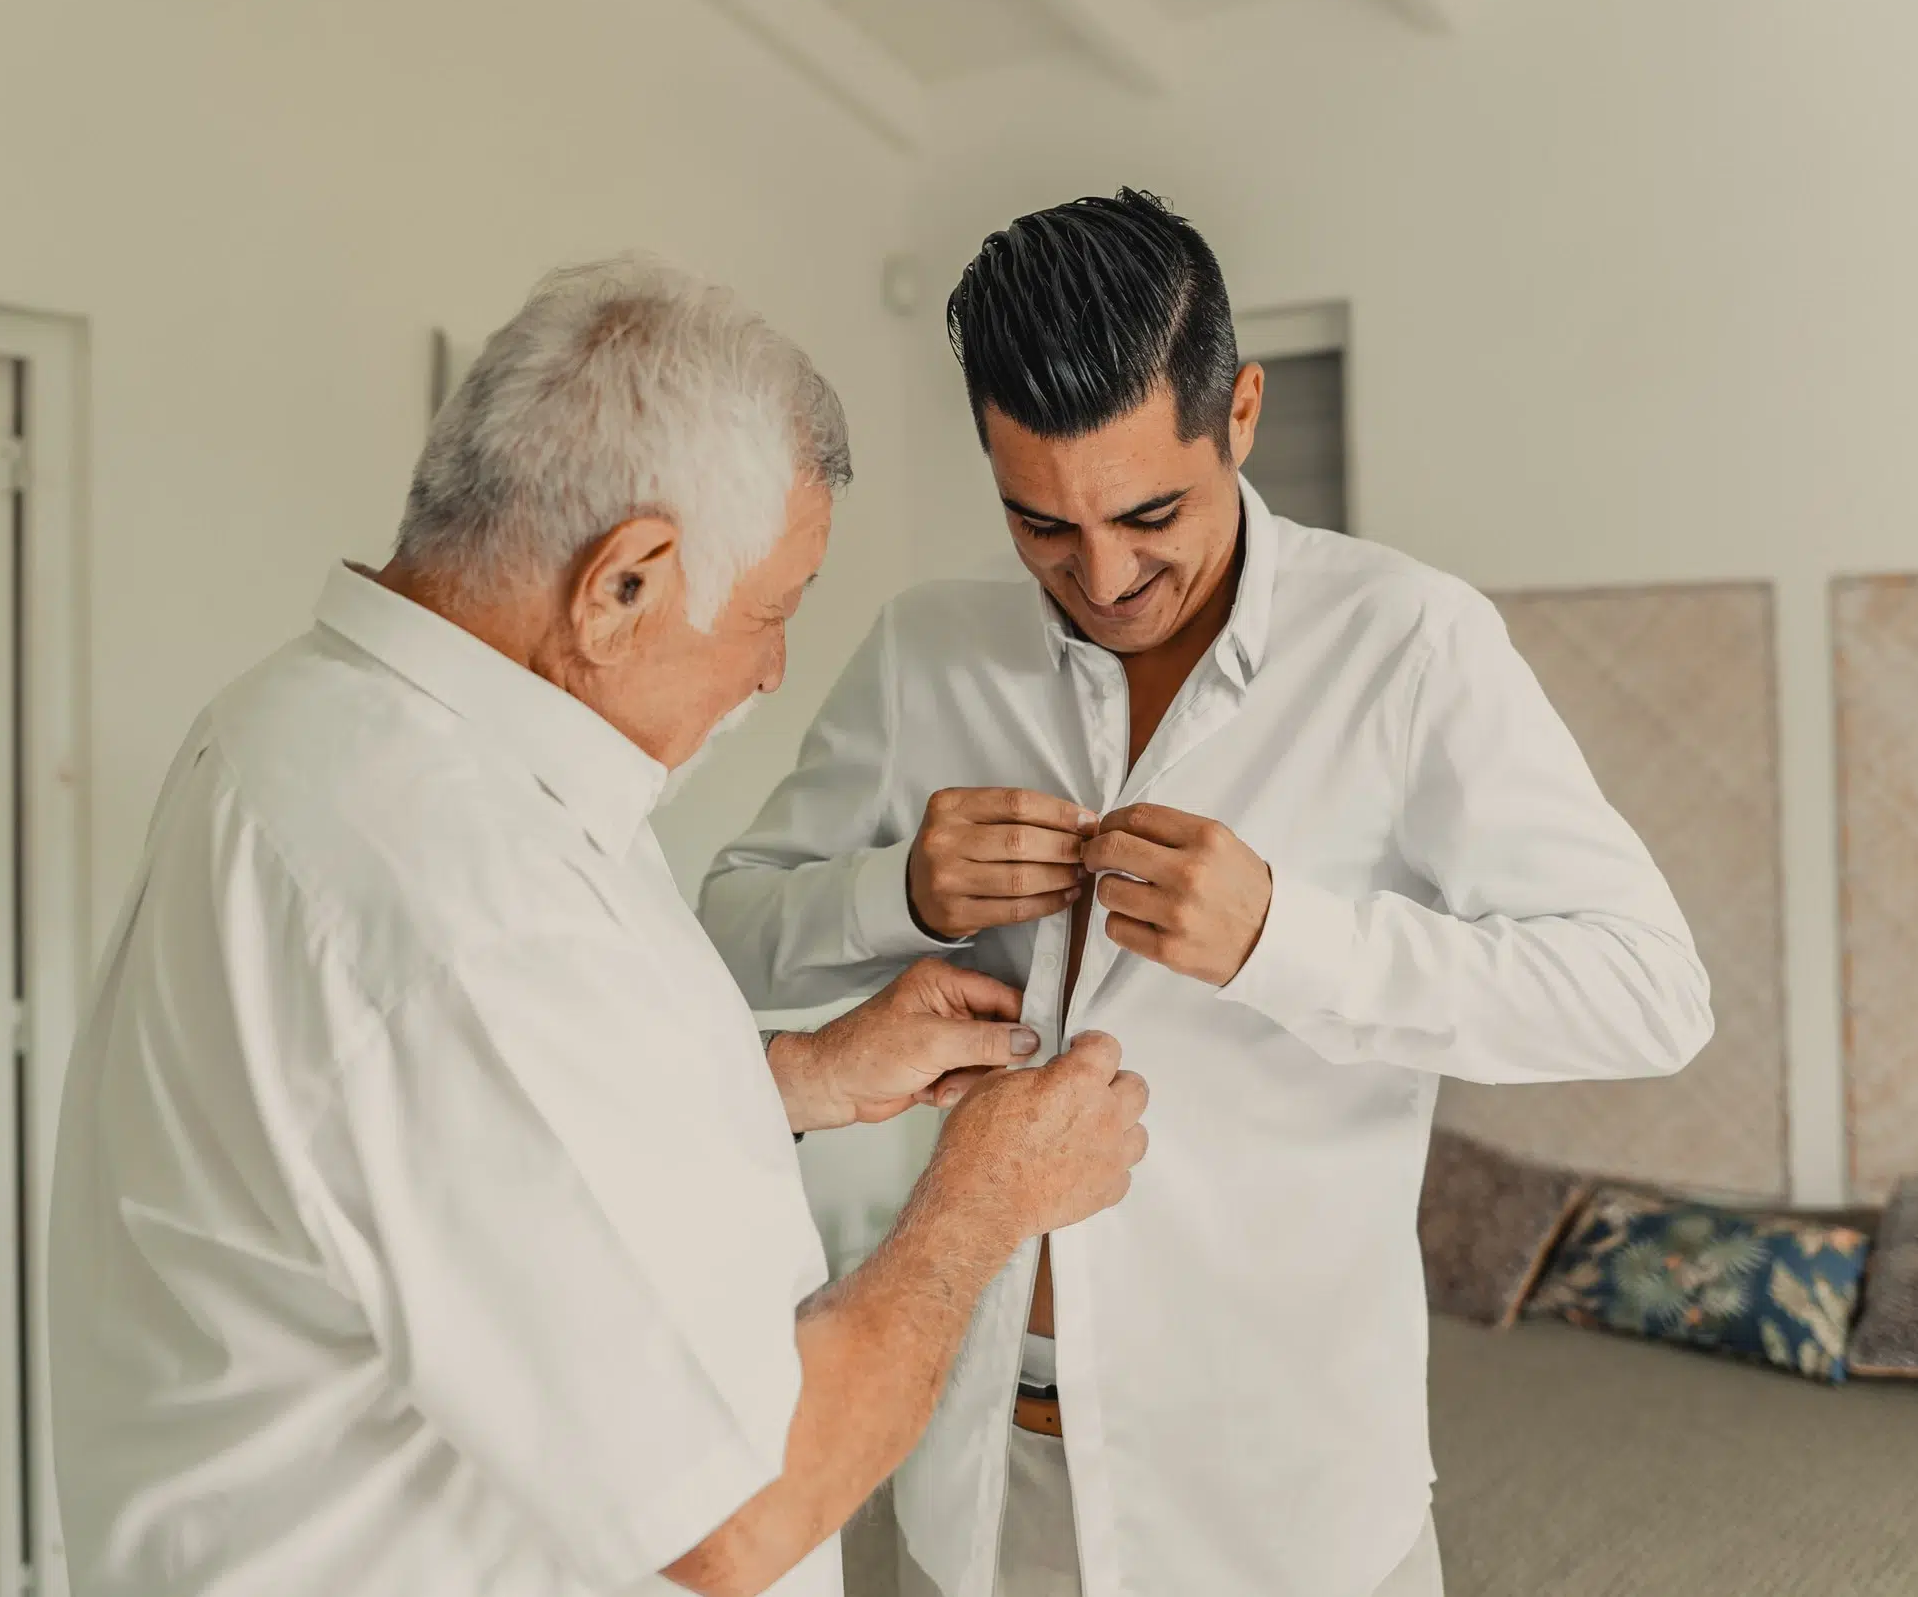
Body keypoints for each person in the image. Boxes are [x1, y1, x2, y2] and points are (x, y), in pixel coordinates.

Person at [47, 256, 1152, 1597]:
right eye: (774, 611)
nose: (772, 670)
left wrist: (794, 1080)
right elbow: (736, 1515)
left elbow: (456, 1157)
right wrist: (983, 1200)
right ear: (623, 582)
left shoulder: (310, 726)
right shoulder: (469, 912)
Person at [698, 191, 1715, 1597]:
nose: (1103, 576)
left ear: (1239, 413)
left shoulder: (1410, 645)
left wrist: (1287, 941)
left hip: (1285, 1499)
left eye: (1149, 512)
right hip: (980, 1471)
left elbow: (1649, 994)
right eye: (1041, 523)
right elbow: (725, 933)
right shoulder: (926, 650)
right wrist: (900, 892)